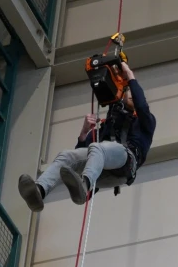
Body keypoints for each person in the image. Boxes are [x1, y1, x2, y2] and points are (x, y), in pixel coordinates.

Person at [17, 61, 156, 211]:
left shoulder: (145, 121)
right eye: (128, 91)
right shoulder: (106, 128)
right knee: (66, 156)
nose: (132, 96)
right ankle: (39, 191)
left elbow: (141, 106)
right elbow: (80, 156)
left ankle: (84, 185)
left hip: (126, 165)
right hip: (102, 174)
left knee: (97, 147)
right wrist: (83, 133)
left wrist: (129, 75)